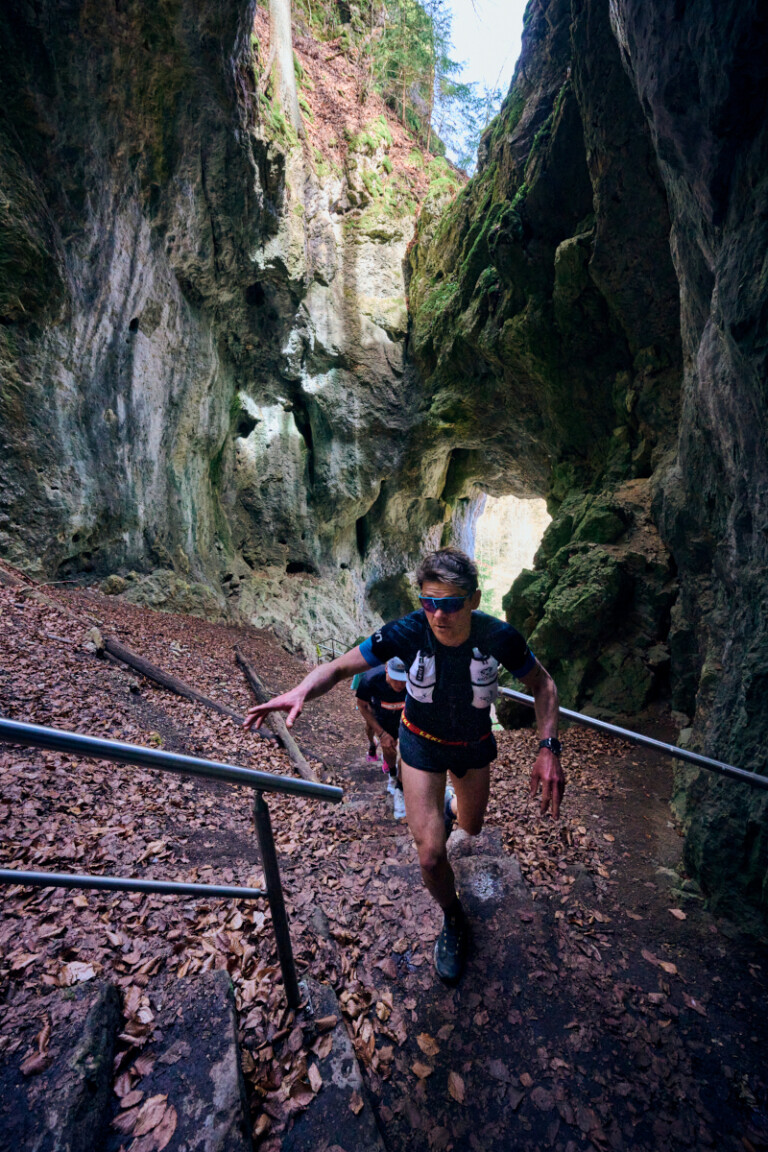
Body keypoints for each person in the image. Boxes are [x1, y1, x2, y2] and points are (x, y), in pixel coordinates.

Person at [243, 546, 564, 984]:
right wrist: (301, 689)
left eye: (450, 604)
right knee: (431, 856)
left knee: (470, 827)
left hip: (472, 745)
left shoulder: (498, 637)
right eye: (428, 602)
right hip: (421, 744)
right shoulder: (407, 632)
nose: (438, 615)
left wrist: (548, 747)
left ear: (473, 599)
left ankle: (450, 810)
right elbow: (340, 667)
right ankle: (453, 918)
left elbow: (542, 682)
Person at [355, 658, 408, 818]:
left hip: (406, 714)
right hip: (381, 714)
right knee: (388, 747)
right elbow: (362, 706)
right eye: (395, 678)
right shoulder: (370, 679)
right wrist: (382, 733)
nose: (400, 684)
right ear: (386, 670)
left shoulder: (414, 678)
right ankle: (392, 774)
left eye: (403, 680)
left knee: (407, 752)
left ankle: (400, 788)